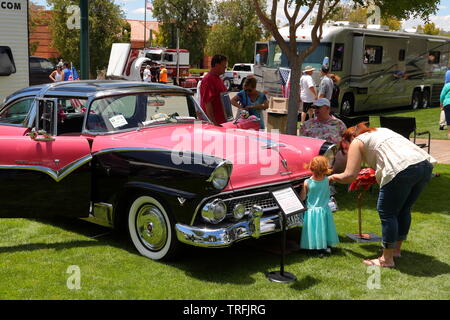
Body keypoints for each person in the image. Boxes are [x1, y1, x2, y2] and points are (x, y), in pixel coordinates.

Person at [329, 123, 436, 268]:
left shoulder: (357, 141)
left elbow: (349, 175)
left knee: (387, 213)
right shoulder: (381, 130)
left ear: (350, 138)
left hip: (401, 169)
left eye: (344, 148)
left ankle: (386, 259)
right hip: (424, 165)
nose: (346, 151)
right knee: (404, 209)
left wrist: (331, 177)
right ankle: (395, 250)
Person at [299, 155, 339, 256]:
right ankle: (324, 246)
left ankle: (316, 249)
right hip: (324, 209)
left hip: (312, 211)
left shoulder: (307, 182)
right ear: (325, 168)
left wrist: (300, 189)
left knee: (314, 230)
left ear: (311, 167)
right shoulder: (327, 180)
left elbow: (302, 198)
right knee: (325, 228)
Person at [299, 98, 347, 173]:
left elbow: (346, 143)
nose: (316, 110)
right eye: (315, 108)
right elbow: (300, 143)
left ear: (328, 108)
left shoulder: (339, 124)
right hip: (312, 157)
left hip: (332, 158)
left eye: (318, 107)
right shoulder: (307, 124)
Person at [199, 54, 228, 126]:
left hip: (221, 122)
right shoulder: (208, 80)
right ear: (217, 65)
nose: (225, 67)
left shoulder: (218, 78)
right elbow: (207, 103)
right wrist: (213, 123)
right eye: (224, 65)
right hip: (213, 125)